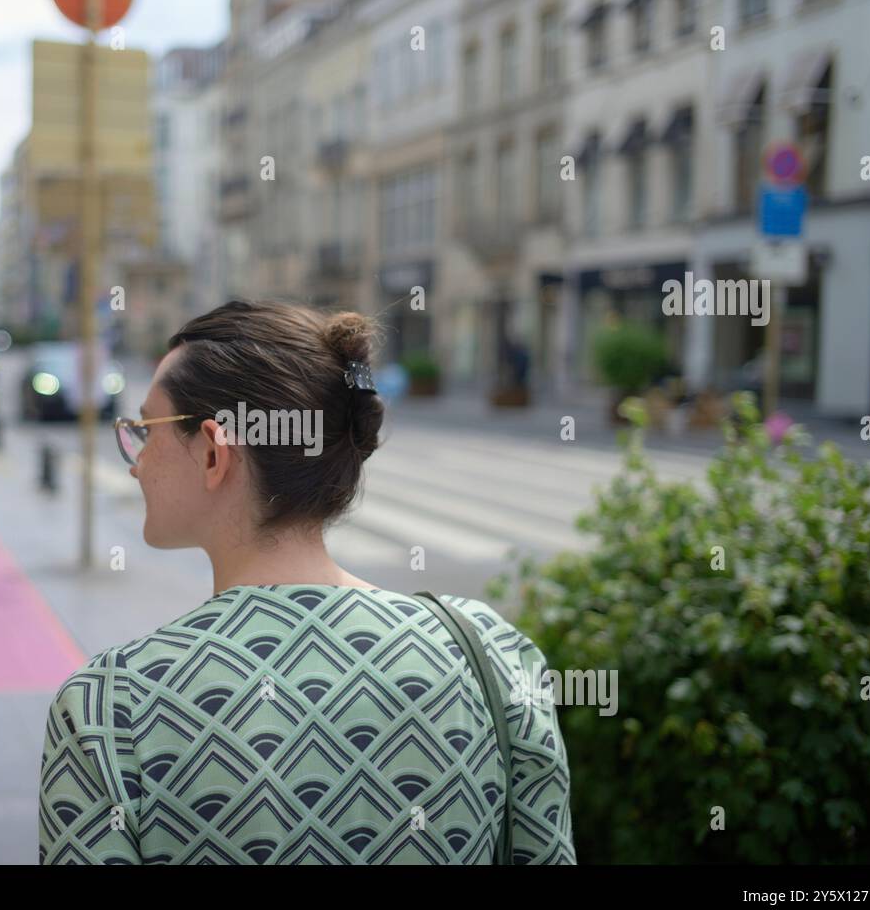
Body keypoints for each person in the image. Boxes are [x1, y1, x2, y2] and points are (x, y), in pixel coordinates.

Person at [38, 299, 575, 865]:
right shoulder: (491, 656)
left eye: (147, 430)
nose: (135, 461)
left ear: (216, 454)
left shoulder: (111, 706)